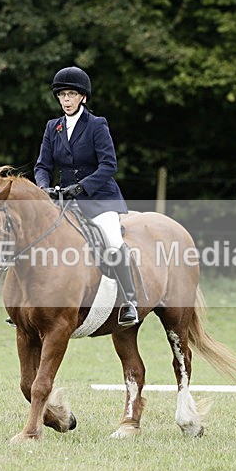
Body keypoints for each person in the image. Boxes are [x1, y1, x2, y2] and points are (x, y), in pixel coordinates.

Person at [34, 66, 138, 327]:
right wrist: (44, 187)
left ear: (83, 97)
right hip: (63, 200)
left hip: (99, 198)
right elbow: (42, 166)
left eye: (71, 94)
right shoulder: (52, 127)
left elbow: (108, 165)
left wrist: (80, 188)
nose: (66, 100)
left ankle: (130, 302)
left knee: (113, 242)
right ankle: (31, 305)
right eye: (62, 95)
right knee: (37, 241)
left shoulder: (96, 125)